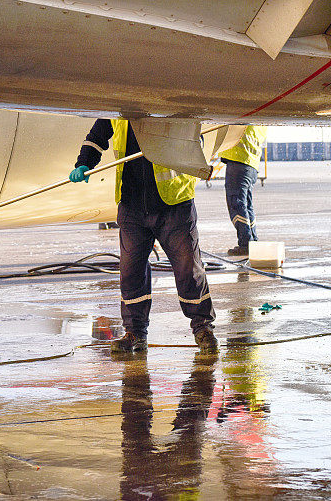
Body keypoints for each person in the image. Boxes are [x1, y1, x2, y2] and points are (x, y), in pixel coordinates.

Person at [69, 119, 217, 353]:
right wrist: (84, 162)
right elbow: (96, 138)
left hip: (173, 201)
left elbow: (193, 140)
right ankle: (135, 333)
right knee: (131, 273)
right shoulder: (118, 109)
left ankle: (203, 329)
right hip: (131, 204)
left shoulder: (166, 104)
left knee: (189, 269)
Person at [219, 125, 267, 256]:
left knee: (236, 203)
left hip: (238, 161)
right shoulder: (260, 122)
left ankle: (246, 243)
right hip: (250, 164)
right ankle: (252, 241)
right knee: (246, 205)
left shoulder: (245, 114)